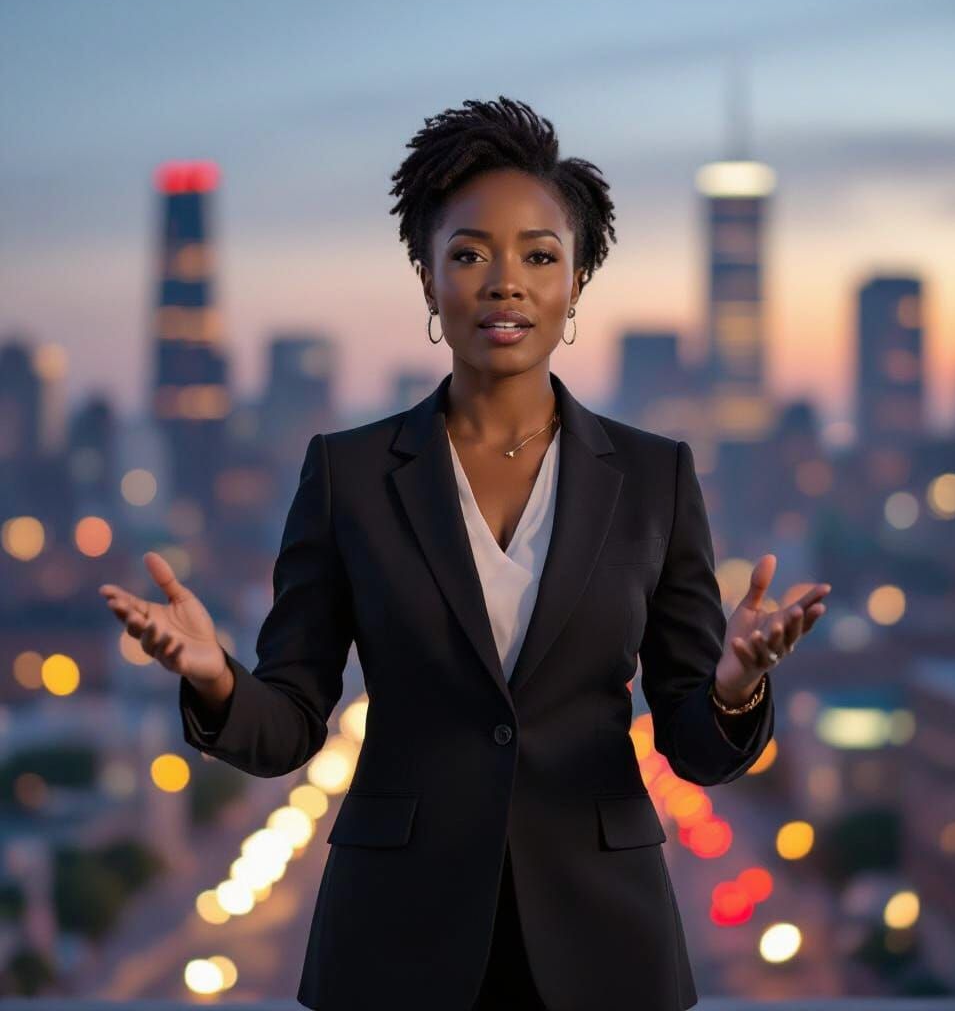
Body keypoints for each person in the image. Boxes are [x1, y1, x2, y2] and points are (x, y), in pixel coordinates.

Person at [99, 96, 831, 1011]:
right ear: (428, 278)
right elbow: (288, 726)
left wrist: (732, 688)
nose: (505, 281)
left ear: (575, 286)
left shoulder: (654, 477)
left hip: (605, 938)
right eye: (470, 253)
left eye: (539, 254)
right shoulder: (350, 474)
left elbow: (696, 749)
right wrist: (212, 678)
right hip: (394, 936)